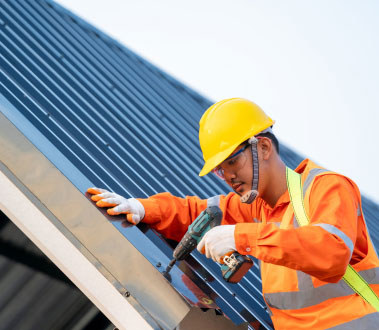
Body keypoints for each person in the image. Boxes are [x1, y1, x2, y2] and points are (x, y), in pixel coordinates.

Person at [88, 98, 379, 329]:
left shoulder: (326, 188)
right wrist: (141, 208)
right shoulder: (256, 207)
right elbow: (194, 212)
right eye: (219, 169)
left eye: (232, 161)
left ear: (263, 147)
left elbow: (330, 251)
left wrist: (241, 236)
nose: (227, 176)